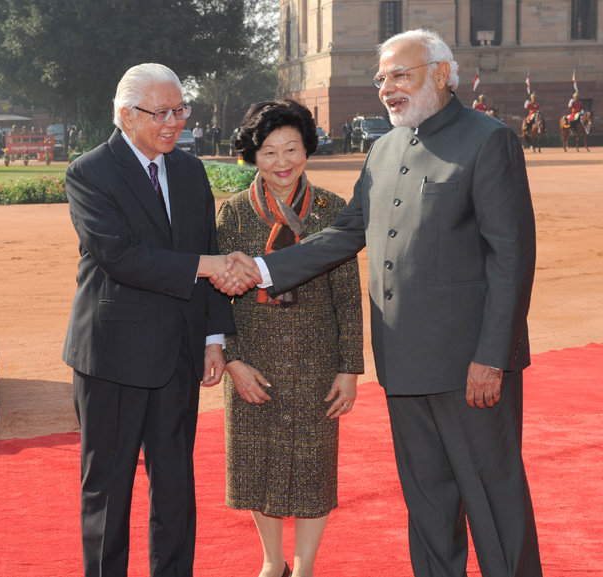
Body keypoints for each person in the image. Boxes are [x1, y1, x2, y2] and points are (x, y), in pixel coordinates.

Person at [216, 29, 542, 577]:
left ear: (440, 73)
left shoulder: (488, 140)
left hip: (470, 367)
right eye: (380, 79)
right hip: (405, 365)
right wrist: (265, 270)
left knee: (492, 500)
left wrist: (492, 357)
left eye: (399, 75)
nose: (386, 88)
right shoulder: (386, 148)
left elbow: (511, 258)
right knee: (428, 505)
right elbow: (345, 234)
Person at [63, 62, 251, 577]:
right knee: (109, 488)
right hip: (113, 357)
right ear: (125, 115)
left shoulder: (189, 171)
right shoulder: (89, 172)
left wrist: (215, 338)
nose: (174, 123)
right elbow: (120, 256)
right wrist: (209, 267)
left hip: (180, 354)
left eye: (180, 111)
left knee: (175, 483)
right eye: (161, 113)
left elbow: (204, 246)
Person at [217, 99, 364, 577]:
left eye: (292, 149)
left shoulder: (333, 210)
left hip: (316, 357)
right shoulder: (234, 215)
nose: (282, 163)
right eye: (268, 152)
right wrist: (233, 361)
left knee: (313, 468)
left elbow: (347, 296)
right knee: (256, 463)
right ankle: (270, 561)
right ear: (252, 156)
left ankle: (303, 568)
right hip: (252, 358)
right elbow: (216, 298)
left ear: (307, 150)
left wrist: (349, 369)